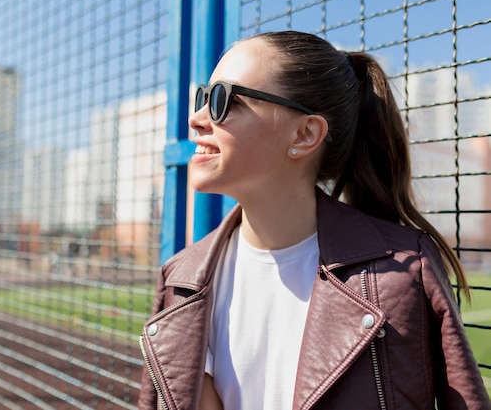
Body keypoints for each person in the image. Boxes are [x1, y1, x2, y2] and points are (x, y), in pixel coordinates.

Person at [138, 30, 491, 410]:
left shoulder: (403, 273)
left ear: (305, 134)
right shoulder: (179, 278)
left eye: (222, 100)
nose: (197, 119)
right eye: (203, 98)